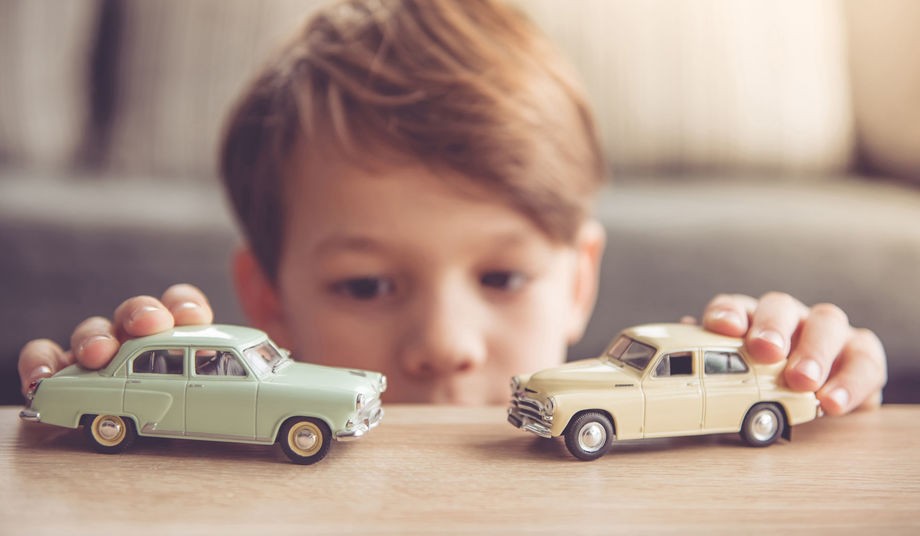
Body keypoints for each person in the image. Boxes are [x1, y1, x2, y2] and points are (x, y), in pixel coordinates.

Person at [18, 0, 885, 411]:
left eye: (503, 275)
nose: (442, 346)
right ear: (270, 298)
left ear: (579, 283)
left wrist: (815, 387)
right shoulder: (260, 451)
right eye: (365, 285)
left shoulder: (641, 438)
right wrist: (127, 415)